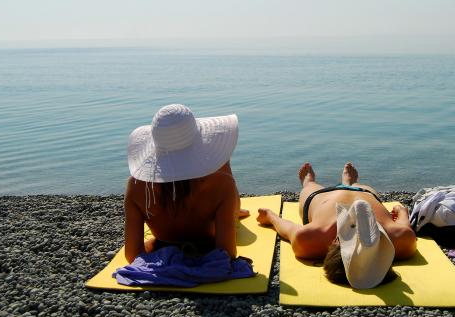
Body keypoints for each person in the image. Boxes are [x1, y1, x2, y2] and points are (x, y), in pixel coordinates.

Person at [257, 162, 416, 288]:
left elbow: (287, 228)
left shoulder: (309, 241)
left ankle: (309, 181)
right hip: (365, 192)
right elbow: (404, 216)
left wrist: (270, 217)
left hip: (323, 196)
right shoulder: (403, 242)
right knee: (362, 187)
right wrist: (401, 210)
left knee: (309, 187)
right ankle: (349, 182)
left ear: (334, 242)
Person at [123, 104, 248, 263]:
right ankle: (231, 212)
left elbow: (132, 256)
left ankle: (231, 212)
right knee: (227, 189)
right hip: (207, 241)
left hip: (163, 240)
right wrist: (221, 161)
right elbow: (227, 254)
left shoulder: (136, 186)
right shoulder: (222, 184)